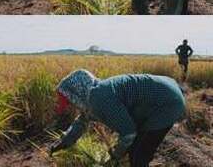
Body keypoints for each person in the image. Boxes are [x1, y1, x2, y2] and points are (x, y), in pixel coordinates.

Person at [50, 70, 186, 167]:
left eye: (70, 100)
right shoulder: (95, 93)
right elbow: (81, 122)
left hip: (166, 103)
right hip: (167, 91)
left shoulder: (99, 99)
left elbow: (129, 133)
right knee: (135, 150)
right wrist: (63, 143)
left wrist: (115, 156)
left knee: (138, 155)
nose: (72, 104)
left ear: (77, 92)